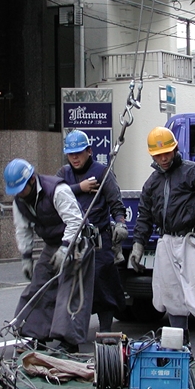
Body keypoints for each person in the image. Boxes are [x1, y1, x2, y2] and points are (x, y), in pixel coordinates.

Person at [129, 126, 195, 365]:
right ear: (152, 155)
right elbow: (144, 217)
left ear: (175, 149)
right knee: (172, 295)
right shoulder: (151, 184)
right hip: (166, 241)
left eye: (167, 153)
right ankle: (182, 349)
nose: (163, 159)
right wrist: (138, 247)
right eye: (158, 155)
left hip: (192, 240)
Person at [5, 158, 94, 353]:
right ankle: (36, 336)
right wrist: (26, 257)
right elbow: (23, 229)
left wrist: (66, 248)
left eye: (22, 189)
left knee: (70, 291)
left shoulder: (57, 190)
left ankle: (69, 342)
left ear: (31, 180)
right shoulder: (19, 202)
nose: (20, 194)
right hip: (52, 243)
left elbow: (75, 222)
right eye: (16, 191)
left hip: (76, 241)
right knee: (39, 286)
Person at [57, 130, 128, 333]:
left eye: (79, 152)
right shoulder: (63, 175)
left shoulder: (102, 172)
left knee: (102, 285)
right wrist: (80, 187)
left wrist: (121, 223)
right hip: (73, 241)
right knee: (72, 288)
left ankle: (105, 331)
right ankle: (71, 336)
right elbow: (53, 194)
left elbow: (116, 202)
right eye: (71, 154)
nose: (75, 158)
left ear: (89, 151)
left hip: (99, 240)